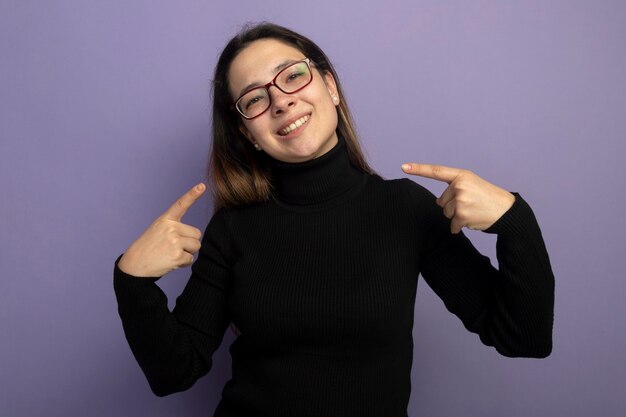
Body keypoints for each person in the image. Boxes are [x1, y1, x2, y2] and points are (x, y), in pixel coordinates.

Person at [113, 22, 554, 417]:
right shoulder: (234, 230)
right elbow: (174, 373)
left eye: (292, 76)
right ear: (248, 133)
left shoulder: (405, 210)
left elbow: (521, 337)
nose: (281, 102)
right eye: (255, 99)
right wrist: (132, 282)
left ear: (330, 86)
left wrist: (516, 222)